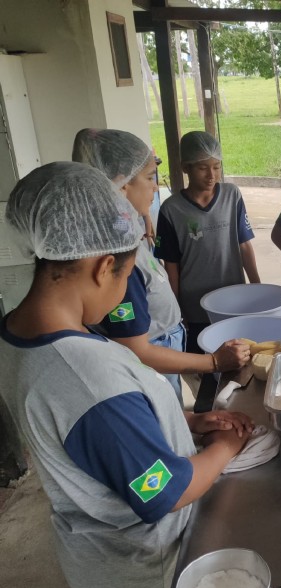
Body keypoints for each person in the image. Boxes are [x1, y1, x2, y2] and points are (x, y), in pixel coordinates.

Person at [0, 162, 252, 588]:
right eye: (126, 275)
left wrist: (186, 421)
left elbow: (96, 434)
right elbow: (163, 490)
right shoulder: (86, 377)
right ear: (102, 268)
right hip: (141, 575)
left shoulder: (18, 331)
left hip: (98, 558)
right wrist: (225, 448)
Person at [72, 129, 249, 403]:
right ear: (120, 185)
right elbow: (136, 349)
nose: (155, 187)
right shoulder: (117, 261)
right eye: (149, 178)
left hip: (164, 347)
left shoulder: (125, 234)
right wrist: (214, 362)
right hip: (155, 357)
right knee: (166, 410)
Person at [155, 131, 260, 354]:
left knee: (240, 359)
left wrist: (257, 288)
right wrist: (177, 308)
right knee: (204, 363)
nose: (211, 175)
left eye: (217, 167)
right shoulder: (171, 210)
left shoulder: (232, 195)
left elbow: (244, 245)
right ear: (186, 168)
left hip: (234, 302)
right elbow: (171, 266)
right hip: (195, 307)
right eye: (203, 168)